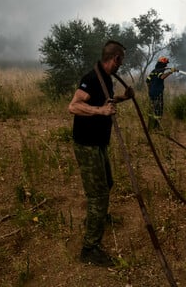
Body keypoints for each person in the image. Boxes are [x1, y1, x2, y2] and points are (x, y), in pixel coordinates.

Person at [68, 40, 134, 267]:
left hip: (98, 144)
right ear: (114, 59)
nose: (121, 65)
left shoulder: (105, 78)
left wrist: (123, 98)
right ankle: (89, 249)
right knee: (98, 195)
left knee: (107, 183)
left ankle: (99, 217)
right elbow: (74, 106)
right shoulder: (91, 78)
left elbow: (105, 101)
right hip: (87, 145)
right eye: (121, 60)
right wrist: (100, 111)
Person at [146, 56, 178, 129]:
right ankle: (156, 127)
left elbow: (147, 81)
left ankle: (150, 126)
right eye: (165, 64)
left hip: (151, 93)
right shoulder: (159, 71)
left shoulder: (153, 71)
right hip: (158, 94)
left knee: (151, 110)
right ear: (162, 64)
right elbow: (162, 77)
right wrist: (170, 72)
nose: (166, 65)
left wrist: (150, 90)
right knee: (158, 110)